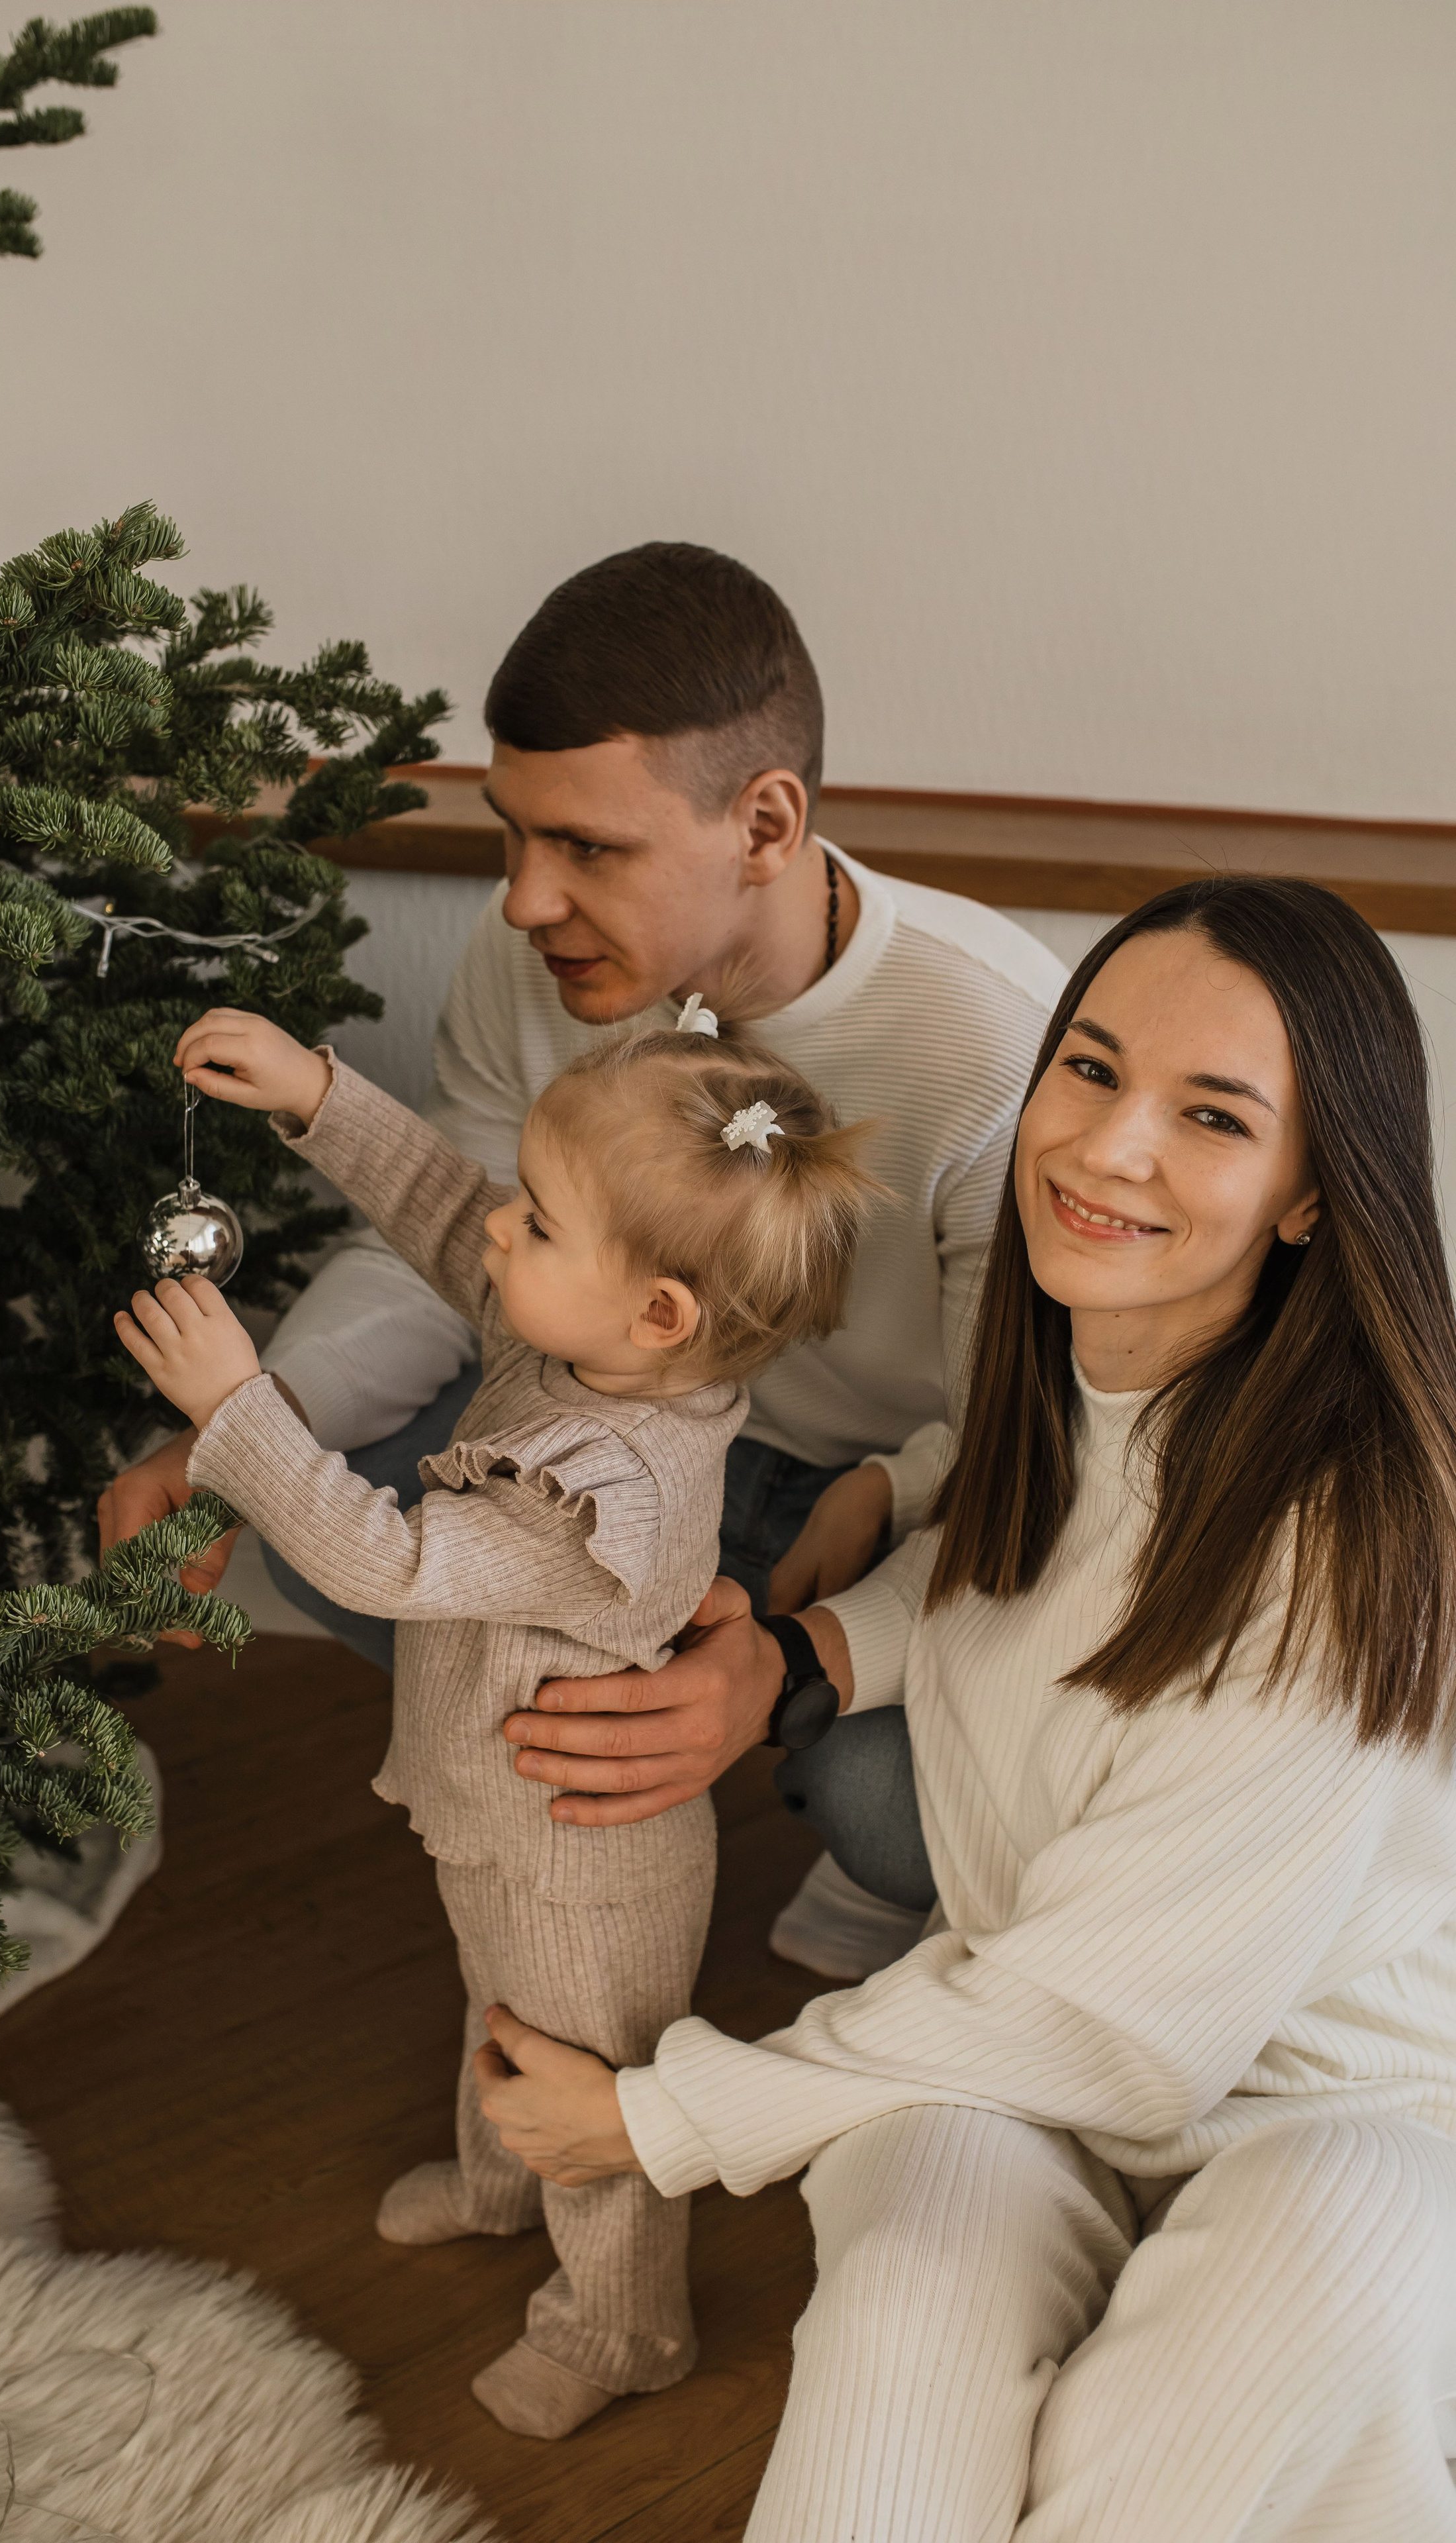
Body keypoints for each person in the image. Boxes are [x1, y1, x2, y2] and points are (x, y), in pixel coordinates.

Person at [473, 876, 1456, 2540]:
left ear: (1308, 1193)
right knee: (885, 2378)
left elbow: (1118, 2019)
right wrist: (805, 1655)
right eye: (1088, 1070)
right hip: (1017, 2056)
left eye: (1209, 1116)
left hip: (1338, 2105)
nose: (1109, 1147)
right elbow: (1034, 1583)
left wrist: (664, 2115)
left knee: (1170, 2460)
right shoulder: (1073, 1367)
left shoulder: (1355, 1519)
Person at [97, 540, 1069, 1979]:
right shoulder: (543, 958)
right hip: (616, 1445)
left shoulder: (992, 1048)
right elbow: (452, 1239)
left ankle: (805, 1792)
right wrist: (267, 1420)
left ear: (763, 821)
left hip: (889, 1513)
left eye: (587, 849)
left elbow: (1034, 1471)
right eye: (512, 833)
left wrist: (791, 1661)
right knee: (338, 1524)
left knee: (890, 1809)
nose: (520, 902)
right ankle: (567, 1764)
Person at [113, 1000, 879, 2440]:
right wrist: (315, 1093)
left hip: (588, 1854)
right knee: (495, 2002)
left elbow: (384, 1562)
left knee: (592, 2087)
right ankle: (493, 2182)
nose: (499, 1230)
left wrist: (239, 1409)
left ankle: (619, 2324)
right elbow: (439, 1204)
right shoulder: (578, 1335)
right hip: (501, 1810)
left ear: (656, 1312)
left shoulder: (607, 1496)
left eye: (538, 1220)